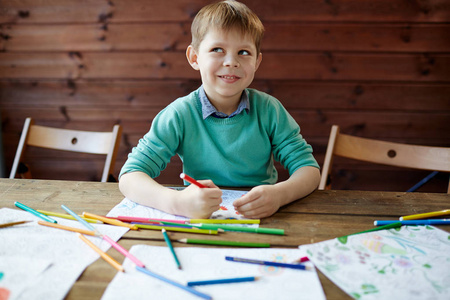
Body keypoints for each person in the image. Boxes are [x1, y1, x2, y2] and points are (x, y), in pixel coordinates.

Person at [118, 0, 320, 219]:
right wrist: (177, 203)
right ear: (195, 58)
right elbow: (130, 176)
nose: (231, 62)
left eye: (243, 52)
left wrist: (280, 196)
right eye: (217, 49)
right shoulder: (179, 114)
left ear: (256, 62)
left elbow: (309, 170)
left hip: (261, 219)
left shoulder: (270, 110)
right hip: (201, 218)